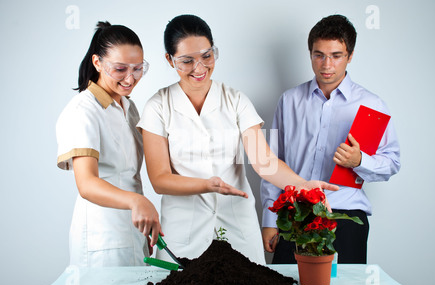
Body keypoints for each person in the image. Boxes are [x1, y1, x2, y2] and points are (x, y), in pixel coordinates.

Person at [137, 14, 338, 265]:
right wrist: (207, 185)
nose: (199, 68)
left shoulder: (236, 100)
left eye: (206, 56)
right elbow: (159, 179)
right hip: (184, 228)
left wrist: (302, 185)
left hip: (236, 221)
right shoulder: (157, 106)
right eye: (187, 61)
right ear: (170, 60)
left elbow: (264, 161)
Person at [261, 14, 401, 264]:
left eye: (336, 56)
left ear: (350, 55)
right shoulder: (289, 100)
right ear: (310, 53)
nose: (326, 64)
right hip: (295, 213)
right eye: (318, 55)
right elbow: (271, 162)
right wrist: (269, 220)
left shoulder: (372, 104)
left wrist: (360, 160)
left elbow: (392, 164)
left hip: (346, 218)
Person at [56, 21, 162, 267]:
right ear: (97, 63)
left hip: (133, 230)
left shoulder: (129, 107)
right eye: (120, 69)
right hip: (101, 237)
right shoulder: (84, 110)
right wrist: (138, 202)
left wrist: (141, 221)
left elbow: (129, 175)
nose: (130, 78)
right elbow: (87, 184)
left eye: (138, 68)